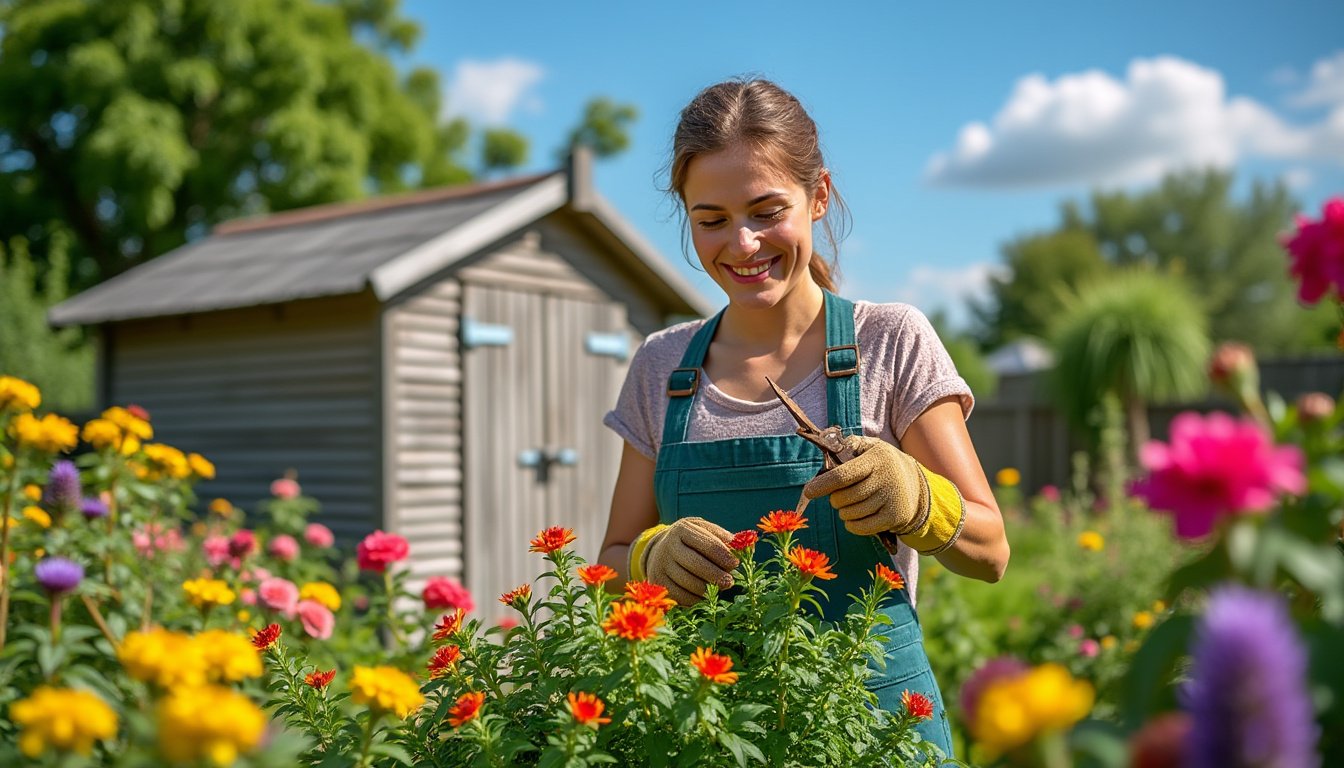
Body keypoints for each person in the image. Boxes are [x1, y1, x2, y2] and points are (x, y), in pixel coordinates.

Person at [598, 78, 1010, 756]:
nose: (743, 244)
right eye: (711, 220)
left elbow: (991, 553)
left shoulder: (891, 341)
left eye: (767, 211)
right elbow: (612, 557)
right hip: (710, 734)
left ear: (818, 195)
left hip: (871, 732)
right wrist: (649, 557)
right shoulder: (660, 367)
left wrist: (913, 495)